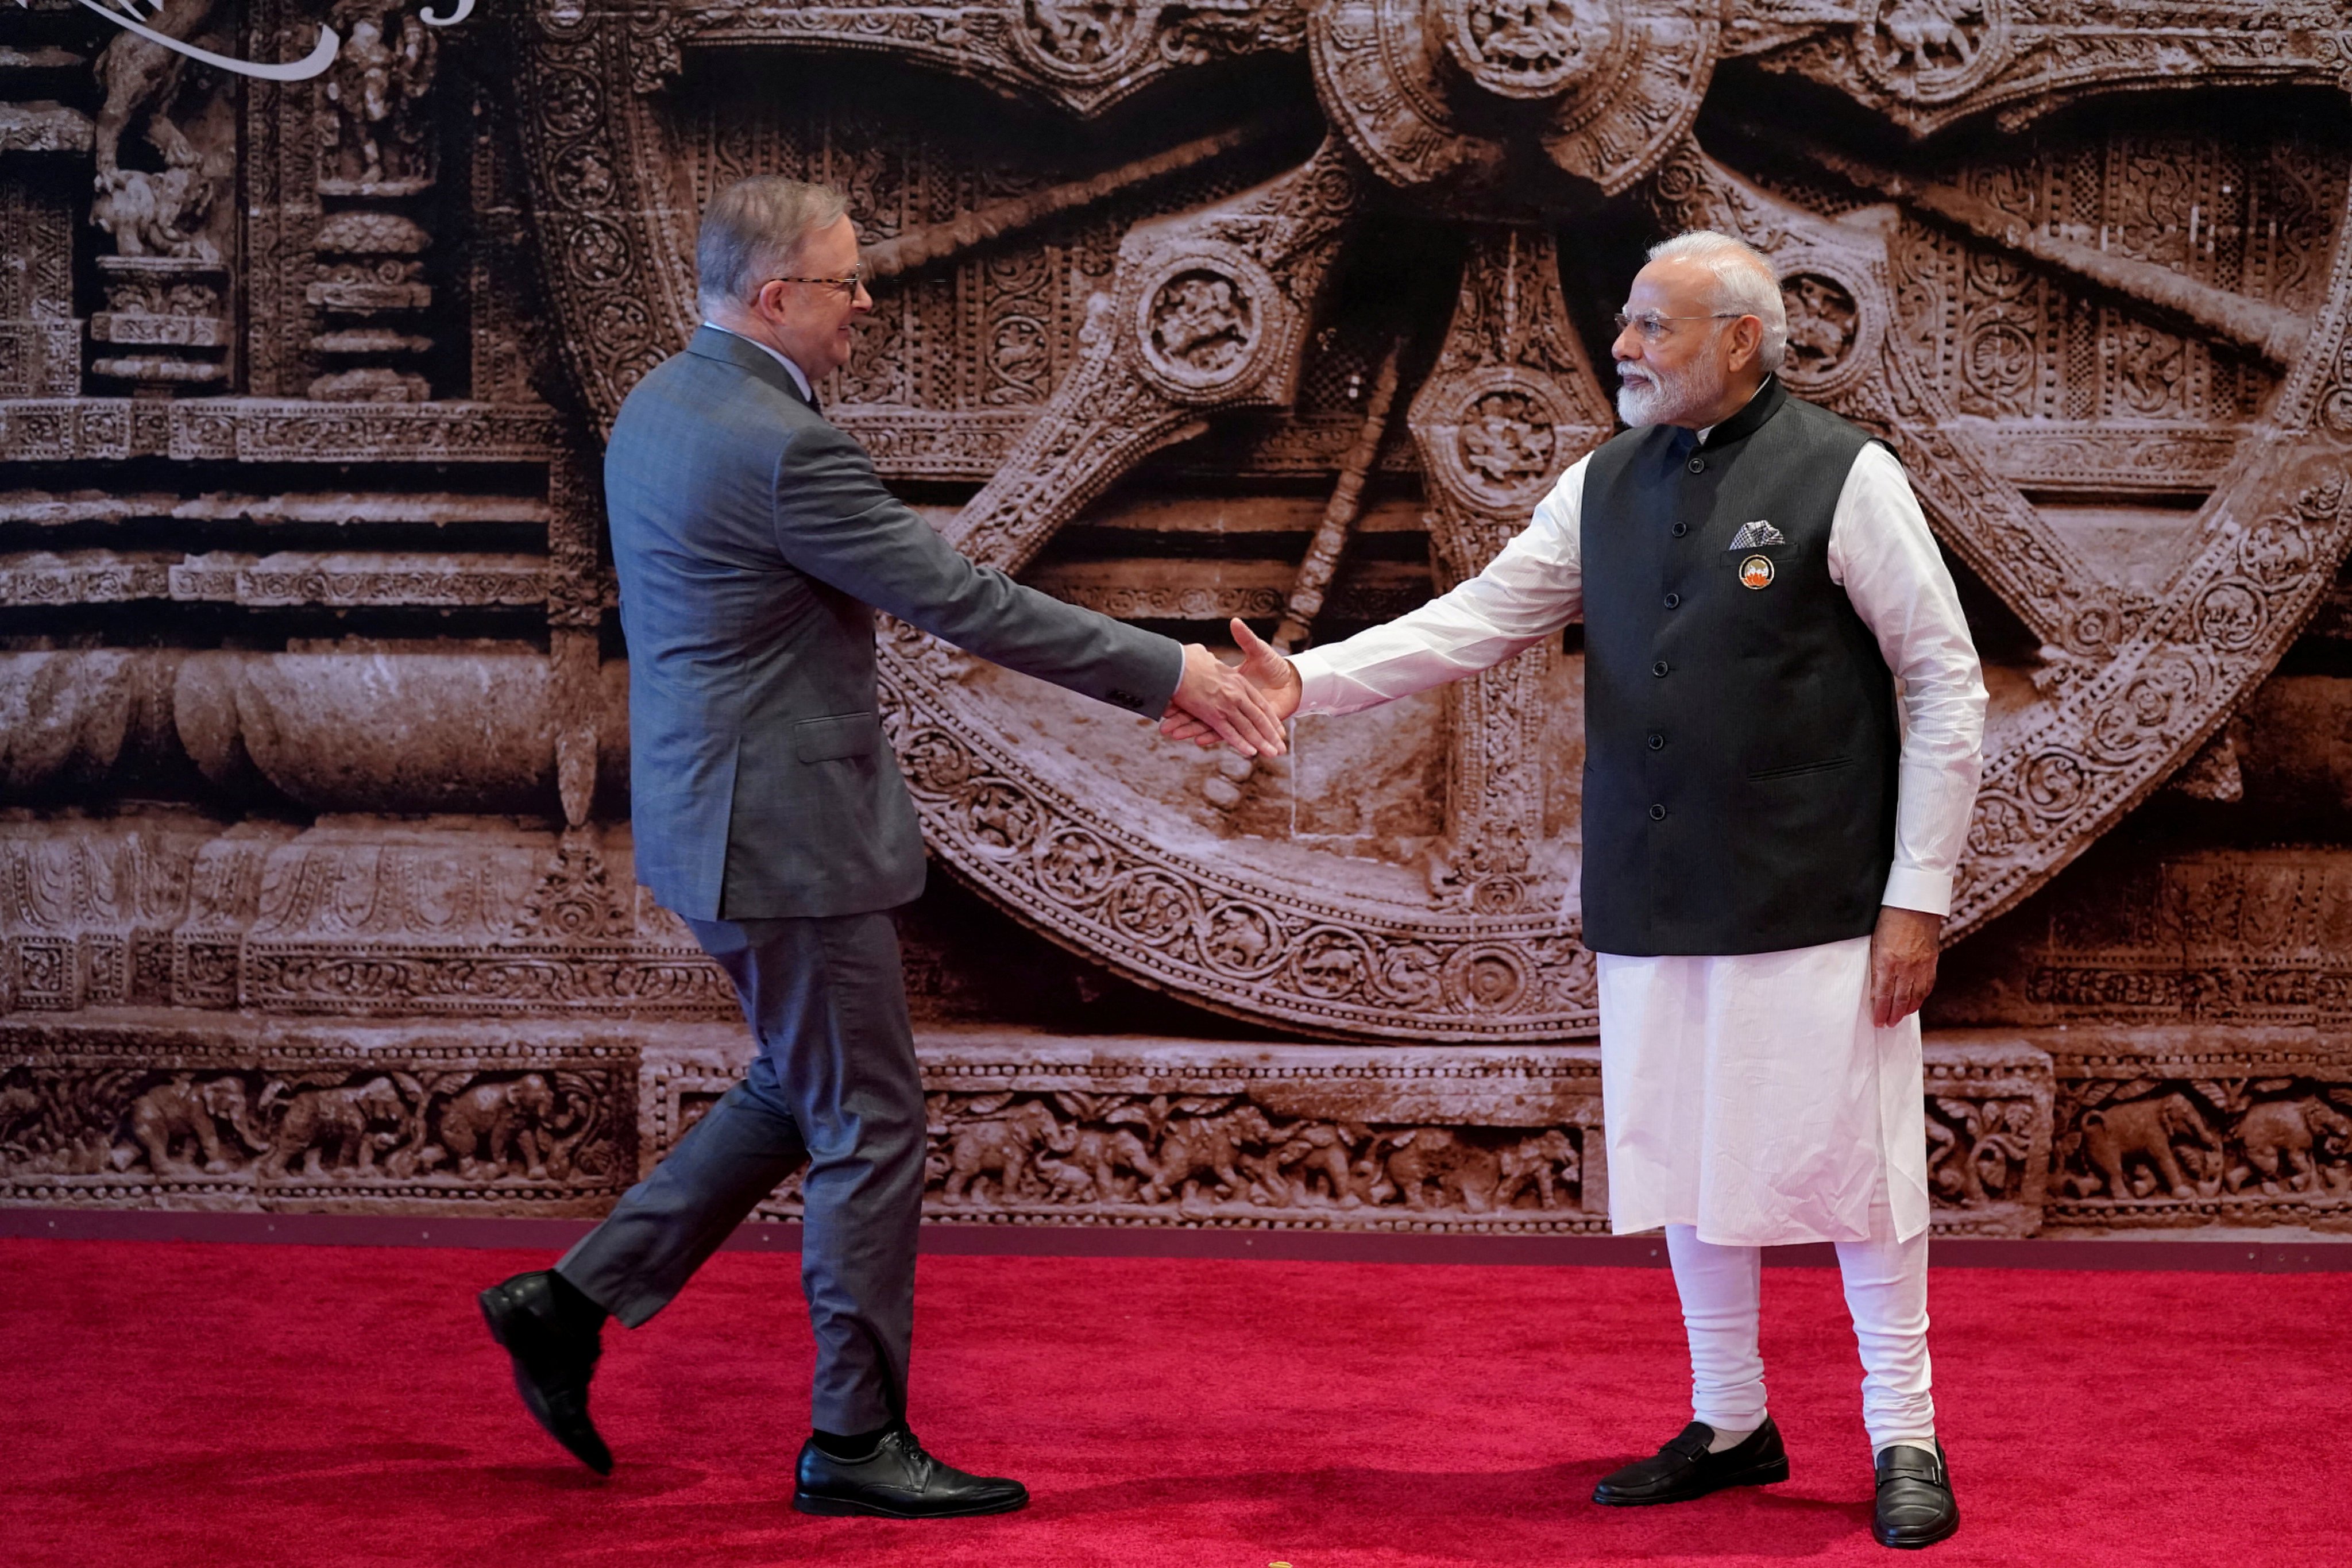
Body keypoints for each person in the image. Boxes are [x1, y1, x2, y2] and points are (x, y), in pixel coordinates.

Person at [477, 175, 1286, 1520]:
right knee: (869, 1118)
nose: (868, 300)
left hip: (711, 820)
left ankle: (568, 1302)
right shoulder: (783, 446)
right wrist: (1173, 673)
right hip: (785, 838)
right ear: (772, 296)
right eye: (845, 279)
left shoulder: (663, 404)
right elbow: (961, 600)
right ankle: (852, 1443)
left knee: (805, 1088)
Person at [1168, 229, 1986, 1550]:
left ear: (1738, 338)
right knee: (1682, 1156)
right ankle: (1730, 1420)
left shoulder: (1848, 475)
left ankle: (1905, 1431)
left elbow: (1943, 686)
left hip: (1818, 890)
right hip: (1650, 886)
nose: (1622, 347)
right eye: (1625, 322)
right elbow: (1479, 618)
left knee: (1858, 1172)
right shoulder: (1597, 483)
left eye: (1652, 326)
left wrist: (1918, 896)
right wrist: (1300, 682)